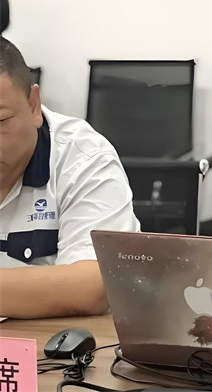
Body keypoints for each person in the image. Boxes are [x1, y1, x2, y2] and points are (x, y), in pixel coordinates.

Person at [0, 37, 140, 319]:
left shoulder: (83, 158)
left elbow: (94, 286)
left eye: (0, 121)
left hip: (47, 343)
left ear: (33, 105)